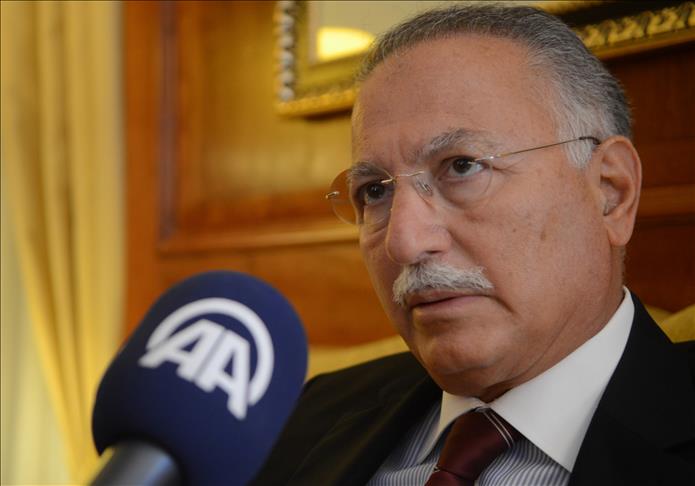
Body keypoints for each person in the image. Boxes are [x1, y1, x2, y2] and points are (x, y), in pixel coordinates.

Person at [252, 4, 695, 485]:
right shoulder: (311, 415)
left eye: (462, 166)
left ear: (610, 192)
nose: (404, 242)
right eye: (374, 191)